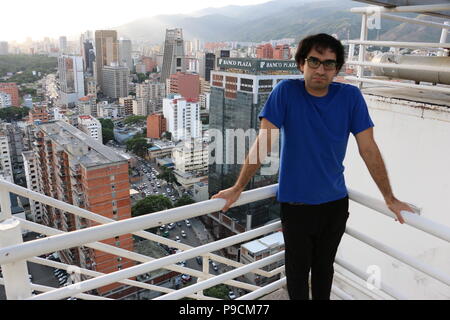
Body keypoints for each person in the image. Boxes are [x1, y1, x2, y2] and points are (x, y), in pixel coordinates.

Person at [211, 33, 414, 300]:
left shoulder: (350, 97)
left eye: (329, 64)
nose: (321, 69)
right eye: (314, 61)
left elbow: (369, 149)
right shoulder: (286, 92)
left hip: (335, 204)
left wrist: (389, 197)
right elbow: (264, 142)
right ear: (301, 64)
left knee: (323, 269)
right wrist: (238, 187)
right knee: (296, 273)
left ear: (337, 68)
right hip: (296, 205)